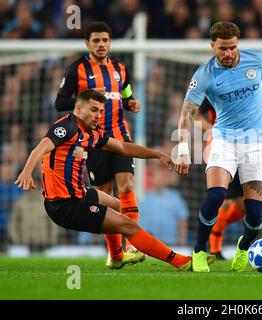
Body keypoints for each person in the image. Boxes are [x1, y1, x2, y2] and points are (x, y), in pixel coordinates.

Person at [15, 89, 215, 270]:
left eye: (101, 111)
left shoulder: (91, 134)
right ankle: (179, 261)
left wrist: (158, 155)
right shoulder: (66, 128)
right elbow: (41, 148)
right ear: (78, 109)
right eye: (94, 110)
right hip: (65, 205)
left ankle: (117, 256)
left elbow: (124, 148)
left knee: (119, 205)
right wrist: (26, 172)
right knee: (129, 226)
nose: (98, 115)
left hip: (80, 193)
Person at [175, 21, 262, 272]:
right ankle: (199, 251)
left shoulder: (256, 59)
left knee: (254, 215)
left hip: (257, 143)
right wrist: (182, 150)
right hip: (224, 140)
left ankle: (243, 249)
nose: (228, 53)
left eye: (232, 47)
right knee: (216, 196)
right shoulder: (205, 74)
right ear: (213, 46)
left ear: (238, 44)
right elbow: (186, 114)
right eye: (222, 48)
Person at [54, 21, 144, 266]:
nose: (101, 45)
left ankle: (134, 245)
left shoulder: (120, 70)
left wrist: (131, 103)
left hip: (120, 136)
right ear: (87, 43)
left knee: (126, 186)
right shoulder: (77, 70)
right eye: (96, 40)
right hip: (93, 141)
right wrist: (84, 104)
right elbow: (60, 102)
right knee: (105, 194)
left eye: (105, 40)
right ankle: (115, 255)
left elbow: (126, 93)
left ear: (110, 42)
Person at [197, 98, 246, 260]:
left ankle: (216, 229)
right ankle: (215, 248)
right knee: (224, 200)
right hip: (220, 147)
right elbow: (194, 116)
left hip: (244, 146)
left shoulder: (244, 88)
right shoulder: (213, 91)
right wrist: (212, 129)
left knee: (243, 205)